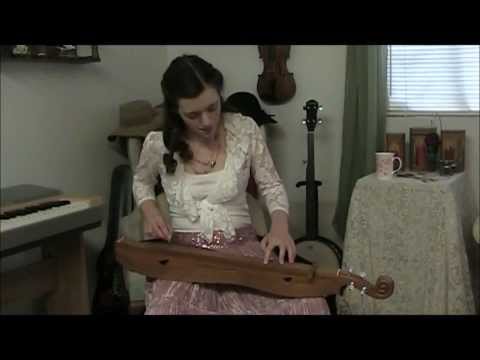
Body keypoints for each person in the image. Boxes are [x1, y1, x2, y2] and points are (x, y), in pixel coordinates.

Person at [132, 54, 329, 315]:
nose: (206, 121)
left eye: (212, 108)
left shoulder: (244, 129)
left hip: (242, 252)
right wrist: (150, 211)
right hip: (184, 259)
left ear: (220, 97)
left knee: (309, 304)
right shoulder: (158, 143)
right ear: (175, 112)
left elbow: (271, 185)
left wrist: (280, 228)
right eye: (193, 114)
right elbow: (141, 182)